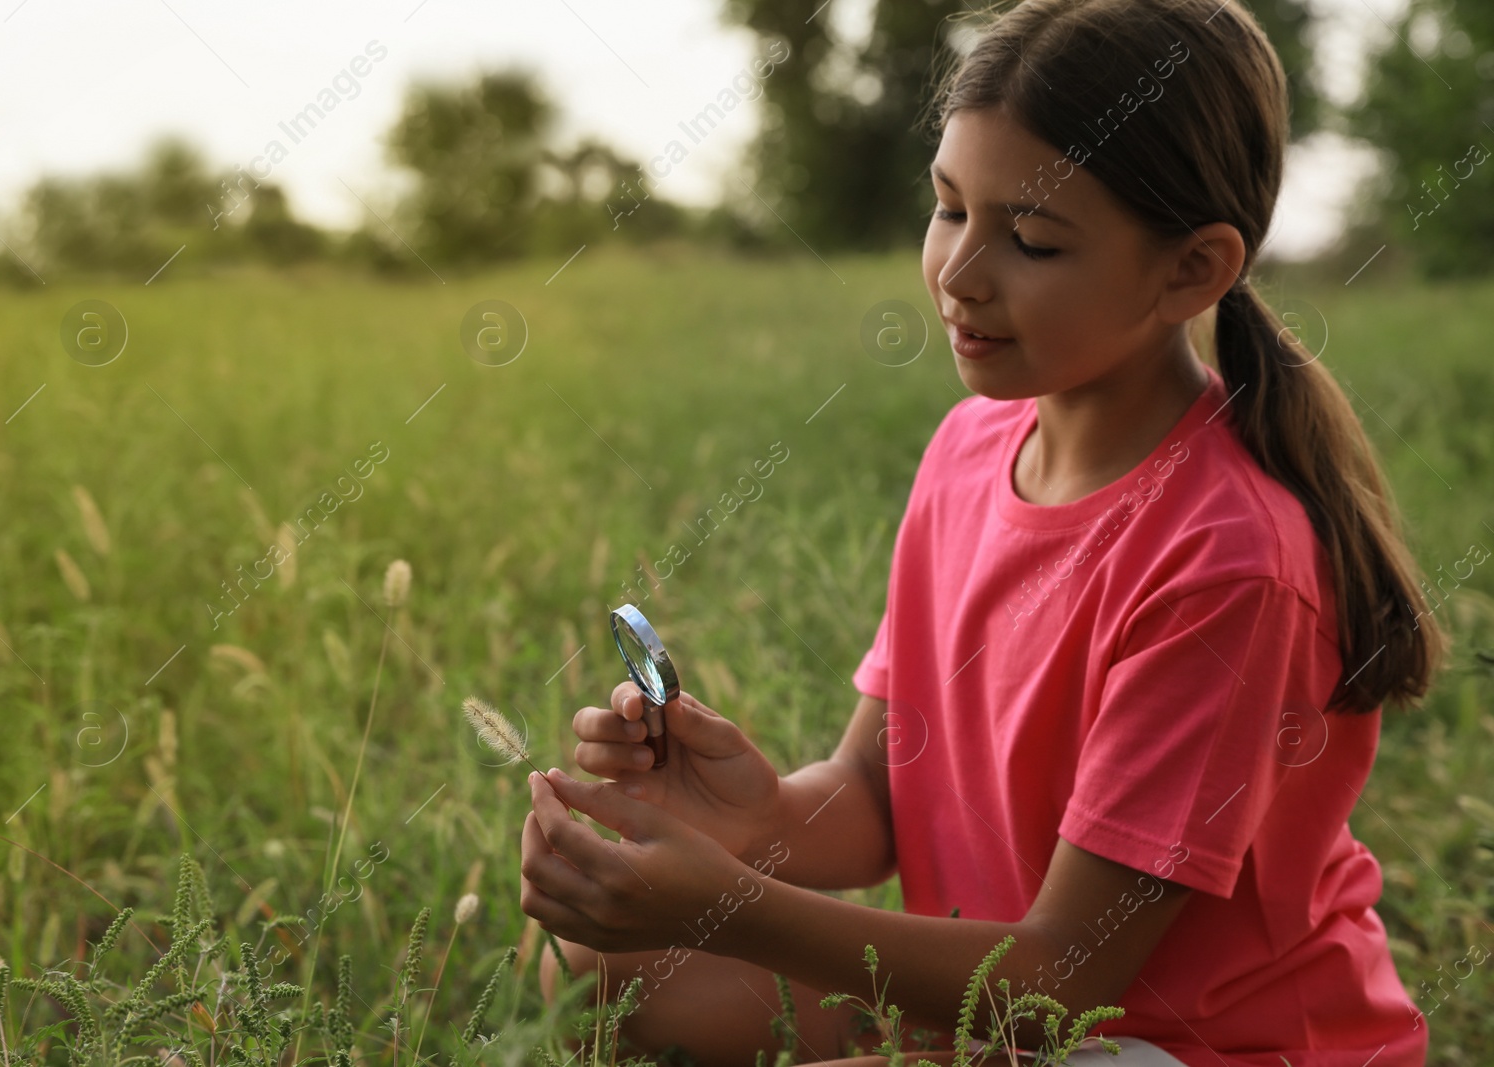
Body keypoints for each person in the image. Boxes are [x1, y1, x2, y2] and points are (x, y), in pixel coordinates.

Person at [519, 0, 1446, 1063]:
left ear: (1191, 269)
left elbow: (1067, 977)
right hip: (993, 1007)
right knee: (593, 965)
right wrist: (757, 817)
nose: (960, 274)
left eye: (1033, 238)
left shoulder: (1228, 559)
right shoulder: (968, 451)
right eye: (950, 208)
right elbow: (878, 792)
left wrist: (727, 904)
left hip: (1169, 1042)